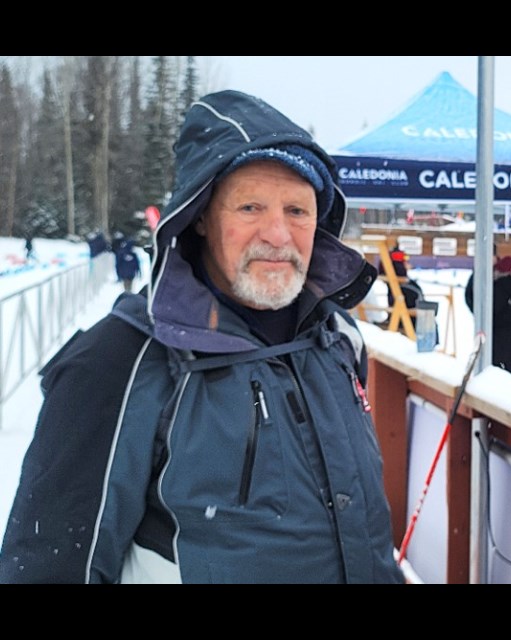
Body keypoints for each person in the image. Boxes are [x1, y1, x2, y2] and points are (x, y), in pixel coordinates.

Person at [0, 90, 403, 584]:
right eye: (251, 207)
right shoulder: (119, 362)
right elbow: (49, 567)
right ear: (202, 219)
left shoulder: (336, 340)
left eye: (297, 210)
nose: (278, 233)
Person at [465, 254, 511, 374]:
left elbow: (476, 305)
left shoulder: (498, 291)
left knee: (497, 380)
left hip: (499, 348)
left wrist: (477, 272)